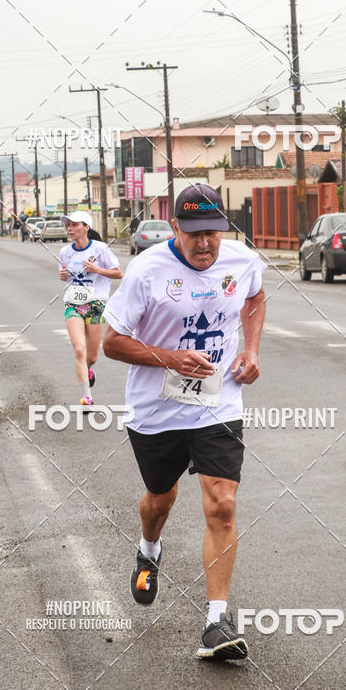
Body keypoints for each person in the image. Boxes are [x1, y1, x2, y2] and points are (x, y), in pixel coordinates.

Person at [103, 183, 266, 661]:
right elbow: (112, 342)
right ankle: (148, 549)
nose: (204, 244)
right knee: (160, 497)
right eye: (193, 233)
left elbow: (255, 299)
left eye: (212, 233)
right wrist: (168, 357)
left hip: (218, 403)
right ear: (175, 227)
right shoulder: (147, 270)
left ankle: (216, 621)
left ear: (224, 229)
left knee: (223, 502)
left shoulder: (241, 260)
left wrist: (251, 349)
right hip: (155, 410)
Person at [58, 211, 122, 406]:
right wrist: (63, 276)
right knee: (79, 349)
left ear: (86, 227)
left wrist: (97, 270)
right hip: (73, 305)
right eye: (68, 225)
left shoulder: (100, 249)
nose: (70, 228)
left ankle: (89, 369)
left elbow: (118, 273)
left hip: (96, 305)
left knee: (92, 355)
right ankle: (87, 397)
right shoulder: (65, 252)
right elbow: (64, 276)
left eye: (74, 225)